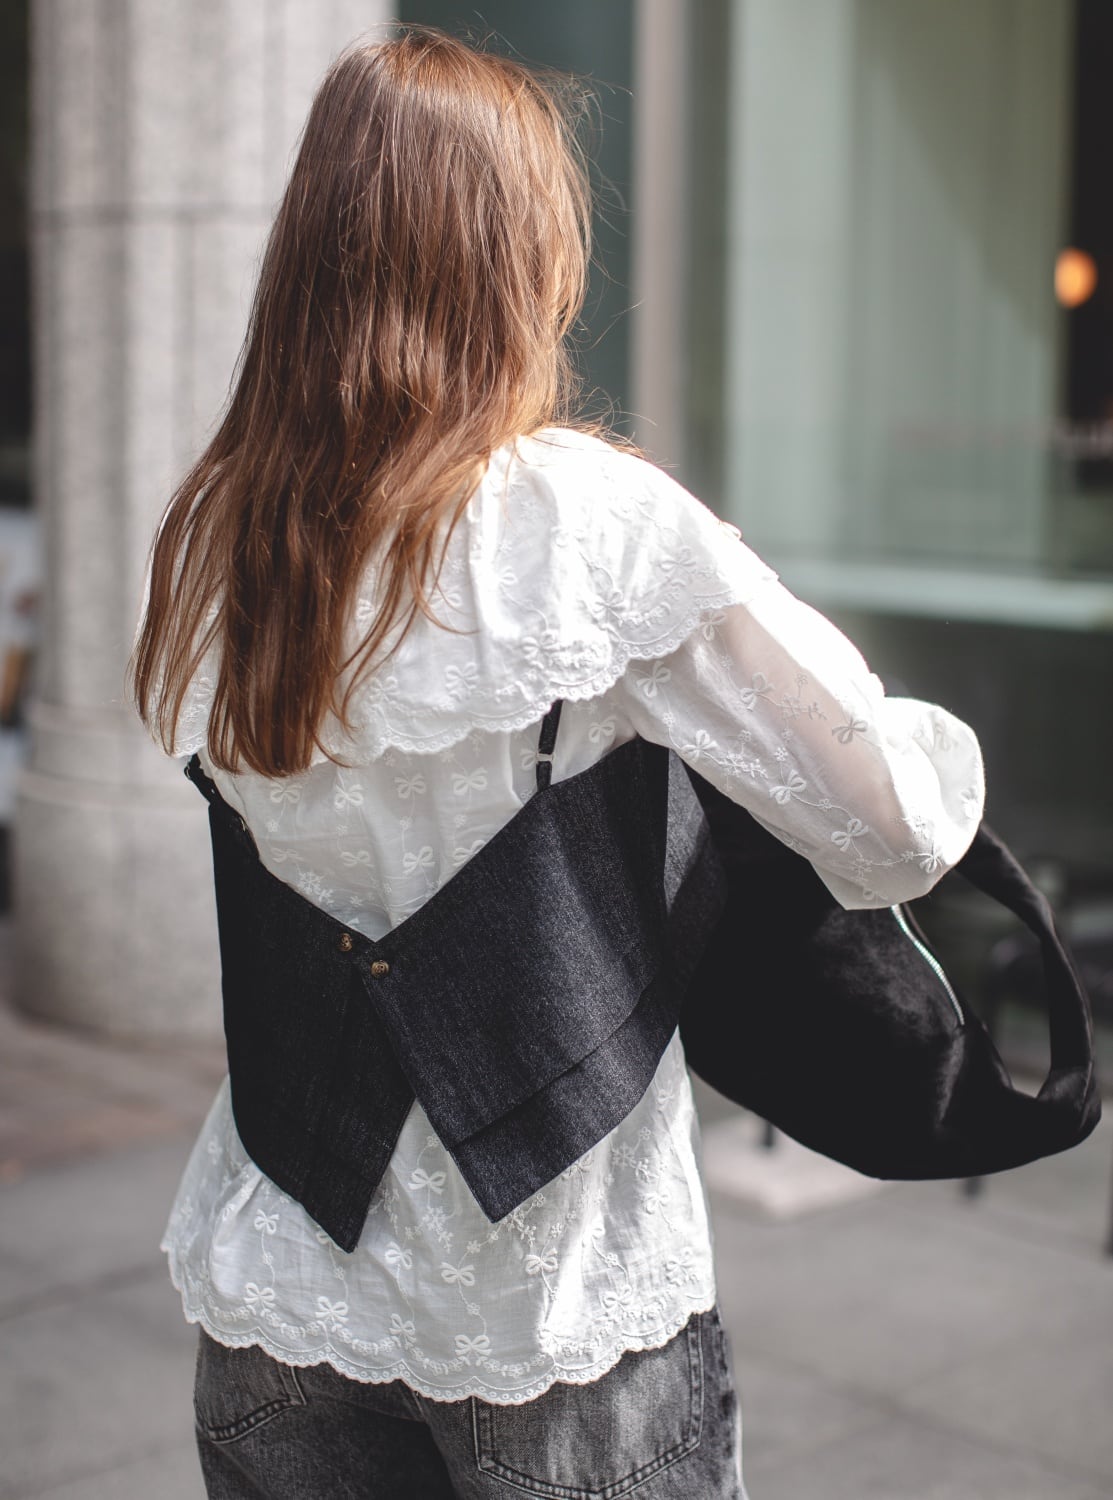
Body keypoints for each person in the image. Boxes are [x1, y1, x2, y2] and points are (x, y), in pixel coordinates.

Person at [131, 27, 984, 1500]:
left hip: (276, 1282)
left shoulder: (224, 531)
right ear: (517, 258)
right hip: (550, 1308)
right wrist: (927, 747)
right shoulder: (583, 526)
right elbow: (896, 830)